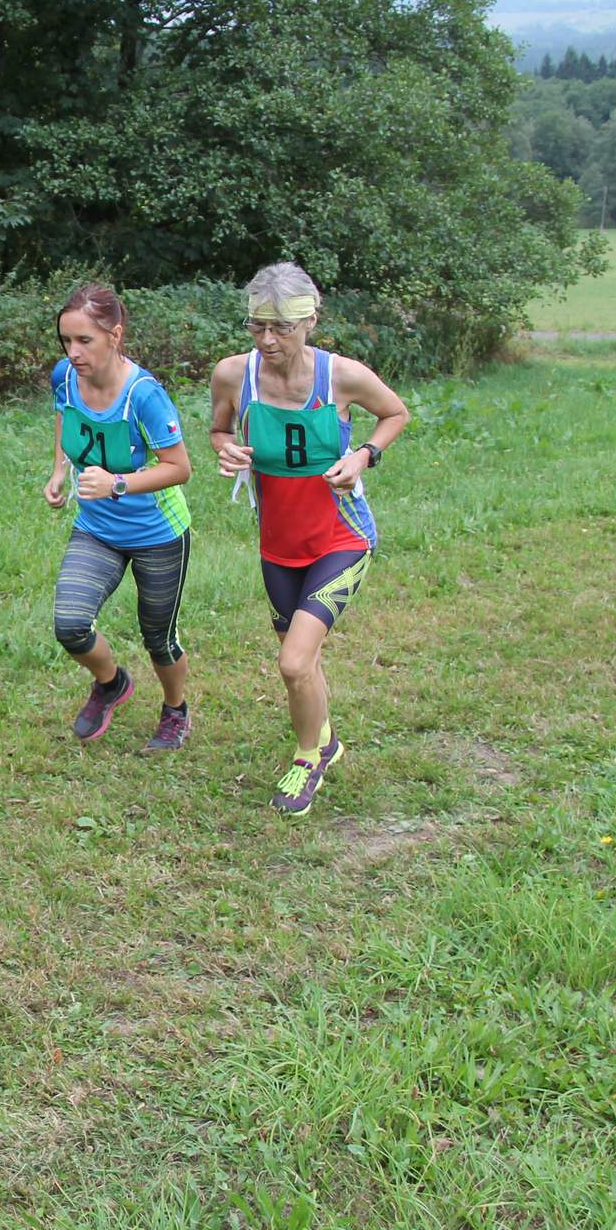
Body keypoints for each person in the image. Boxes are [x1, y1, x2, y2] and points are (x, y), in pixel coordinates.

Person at [209, 262, 410, 816]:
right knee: (304, 660)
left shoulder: (342, 376)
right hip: (278, 545)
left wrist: (363, 455)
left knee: (294, 662)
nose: (268, 340)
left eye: (283, 327)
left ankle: (309, 758)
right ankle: (326, 739)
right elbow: (219, 429)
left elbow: (395, 413)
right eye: (257, 326)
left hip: (342, 538)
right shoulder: (233, 375)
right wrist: (226, 449)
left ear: (311, 322)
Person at [44, 283, 196, 751]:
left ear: (115, 335)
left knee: (159, 638)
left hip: (157, 532)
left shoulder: (143, 395)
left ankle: (175, 710)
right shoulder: (65, 377)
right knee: (70, 624)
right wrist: (59, 470)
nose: (73, 352)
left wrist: (118, 484)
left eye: (84, 340)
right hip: (97, 529)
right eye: (66, 340)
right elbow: (66, 418)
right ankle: (111, 684)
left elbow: (180, 468)